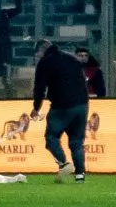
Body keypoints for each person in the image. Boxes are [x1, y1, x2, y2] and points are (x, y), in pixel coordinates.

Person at [27, 38, 90, 182]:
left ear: (42, 50)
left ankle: (64, 163)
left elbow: (39, 88)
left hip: (62, 107)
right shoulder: (72, 58)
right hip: (82, 105)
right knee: (76, 142)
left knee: (51, 138)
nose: (37, 57)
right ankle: (80, 176)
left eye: (37, 54)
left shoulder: (45, 62)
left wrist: (36, 108)